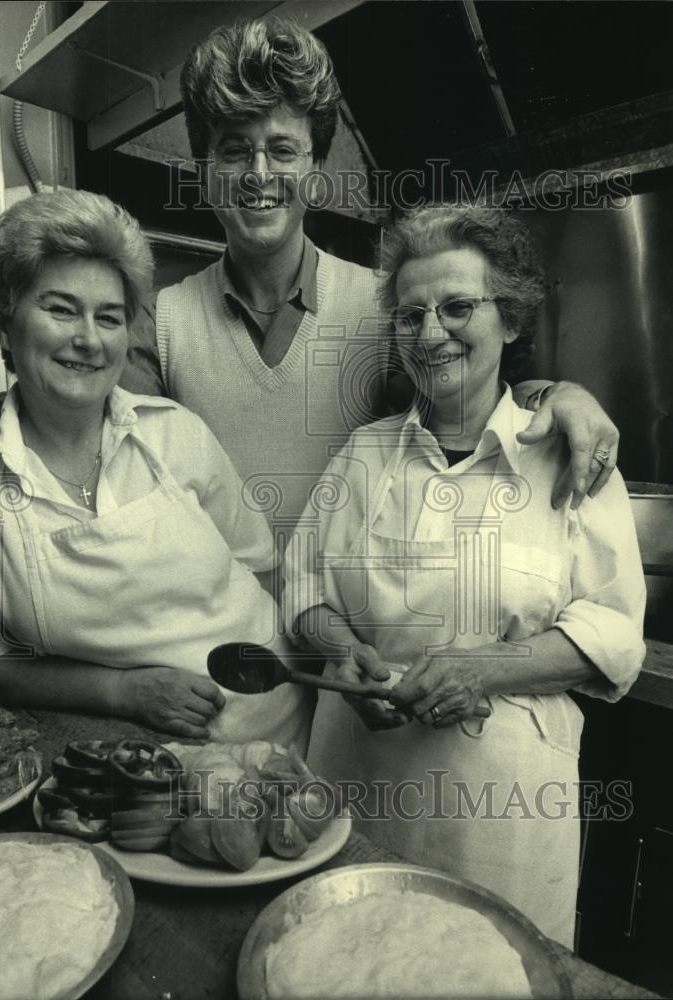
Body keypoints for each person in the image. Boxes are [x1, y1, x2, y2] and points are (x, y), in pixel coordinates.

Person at [0, 17, 618, 526]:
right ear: (202, 171)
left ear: (313, 168)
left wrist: (553, 393)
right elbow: (77, 429)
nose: (258, 175)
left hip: (355, 639)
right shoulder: (155, 323)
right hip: (217, 648)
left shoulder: (383, 311)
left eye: (281, 150)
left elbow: (466, 397)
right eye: (233, 150)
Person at [283, 205, 646, 946]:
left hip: (498, 821)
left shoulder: (571, 457)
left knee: (484, 965)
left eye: (456, 308)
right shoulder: (364, 453)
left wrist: (480, 667)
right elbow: (301, 586)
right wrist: (340, 648)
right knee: (338, 961)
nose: (429, 333)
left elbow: (612, 634)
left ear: (509, 321)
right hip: (358, 787)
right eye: (411, 314)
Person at [0, 189, 308, 749]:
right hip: (145, 762)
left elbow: (265, 571)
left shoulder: (175, 432)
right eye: (60, 308)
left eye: (109, 317)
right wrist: (124, 693)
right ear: (4, 323)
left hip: (289, 728)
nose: (88, 339)